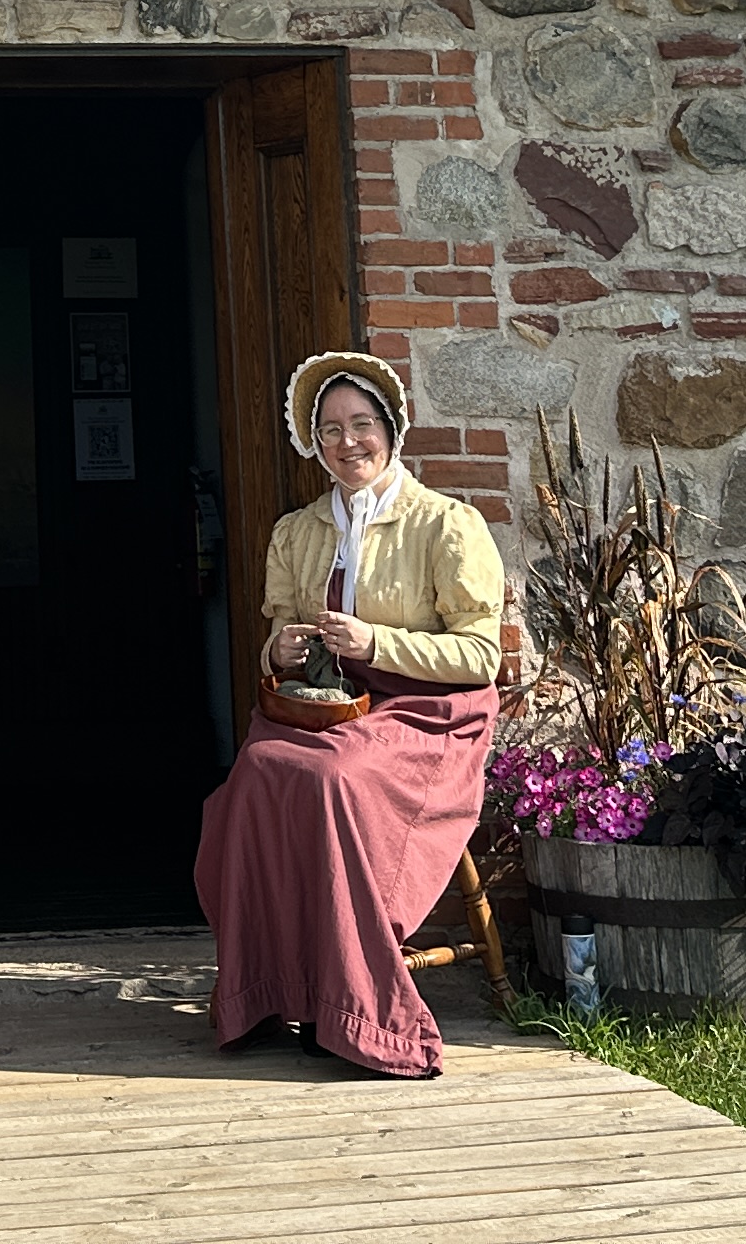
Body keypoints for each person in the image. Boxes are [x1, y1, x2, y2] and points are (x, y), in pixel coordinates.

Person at [193, 349, 504, 1077]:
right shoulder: (297, 532)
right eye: (329, 429)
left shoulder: (446, 525)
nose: (347, 442)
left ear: (390, 431)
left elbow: (480, 659)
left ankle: (355, 1008)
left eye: (361, 424)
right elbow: (272, 645)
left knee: (335, 780)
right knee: (256, 776)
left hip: (426, 714)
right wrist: (285, 650)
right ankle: (269, 993)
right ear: (313, 440)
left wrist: (377, 641)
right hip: (325, 711)